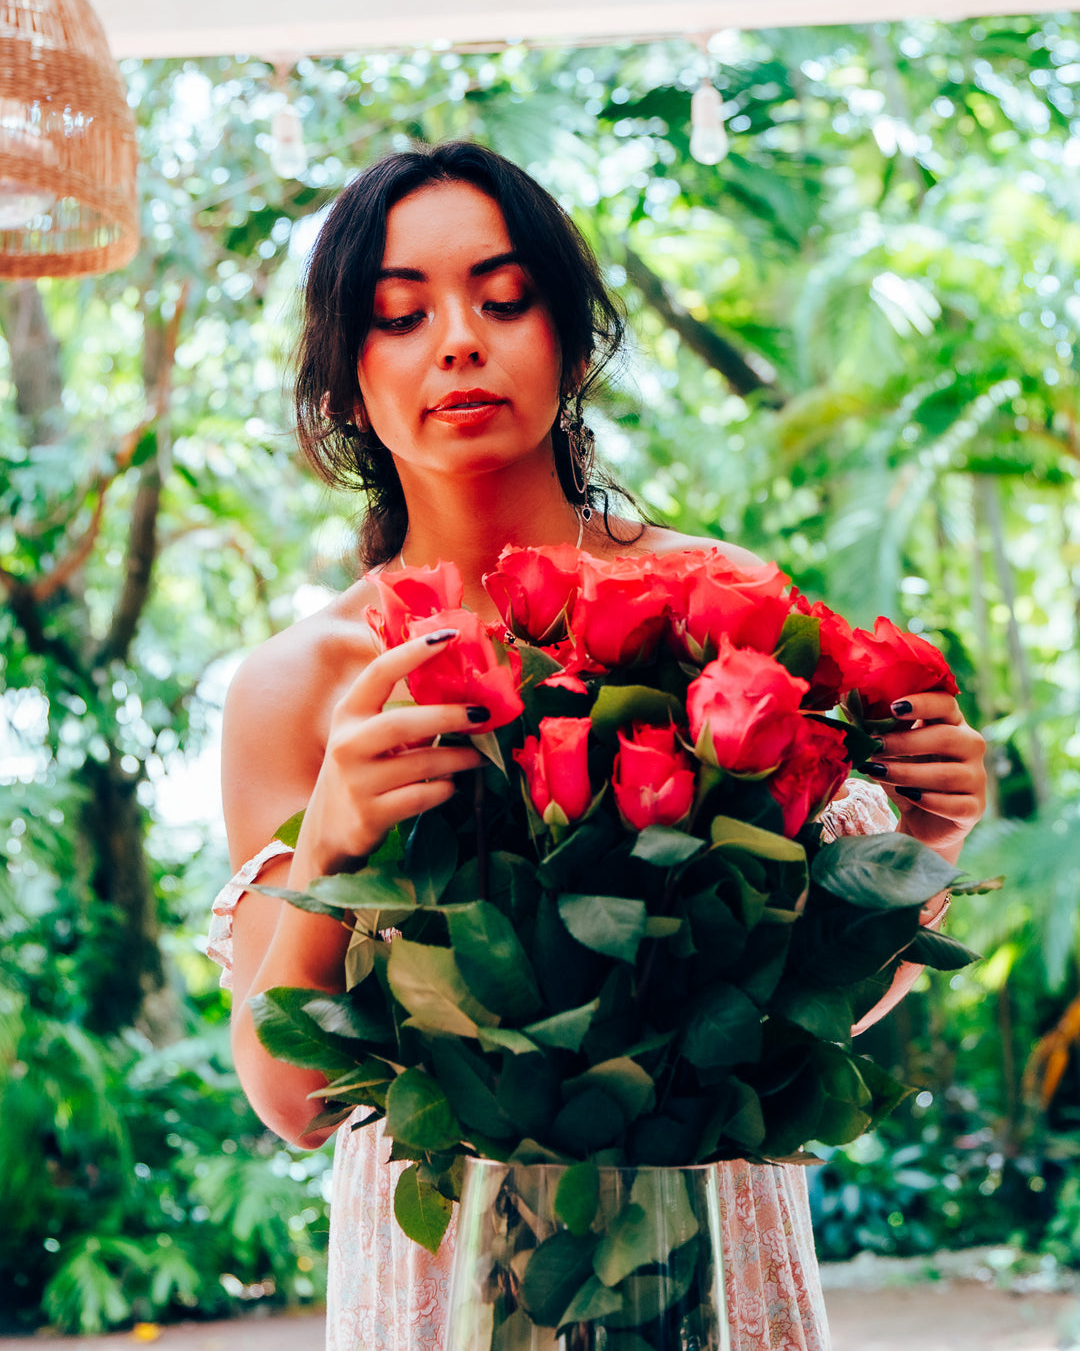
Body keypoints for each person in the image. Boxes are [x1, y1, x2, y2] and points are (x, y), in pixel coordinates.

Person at [207, 141, 987, 1351]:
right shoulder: (298, 685)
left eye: (504, 300)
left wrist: (931, 838)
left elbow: (802, 1021)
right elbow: (294, 1099)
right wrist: (336, 831)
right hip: (444, 1271)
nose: (459, 339)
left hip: (708, 1241)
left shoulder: (721, 607)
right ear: (345, 386)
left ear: (571, 346)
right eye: (402, 314)